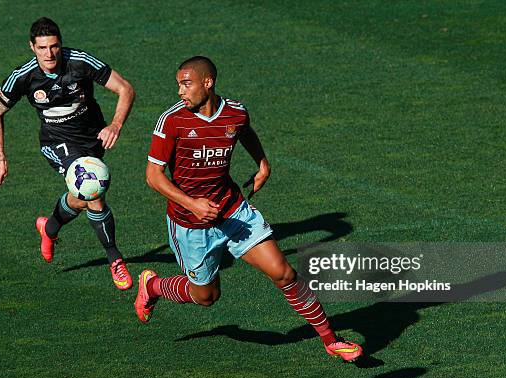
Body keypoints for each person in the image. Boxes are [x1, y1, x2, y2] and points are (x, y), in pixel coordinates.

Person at [135, 56, 363, 362]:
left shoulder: (235, 112)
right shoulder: (173, 121)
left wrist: (262, 163)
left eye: (186, 84)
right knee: (207, 297)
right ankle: (153, 285)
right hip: (190, 223)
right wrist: (192, 204)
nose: (180, 91)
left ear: (208, 82)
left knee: (283, 273)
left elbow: (244, 132)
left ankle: (331, 340)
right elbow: (153, 176)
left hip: (233, 211)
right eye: (178, 85)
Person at [0, 17, 136, 290]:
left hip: (92, 138)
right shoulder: (22, 77)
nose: (49, 54)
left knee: (80, 198)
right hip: (57, 142)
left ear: (61, 44)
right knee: (93, 190)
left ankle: (50, 228)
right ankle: (115, 259)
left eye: (54, 47)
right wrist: (0, 160)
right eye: (42, 48)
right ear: (32, 47)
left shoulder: (79, 62)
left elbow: (125, 89)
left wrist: (115, 125)